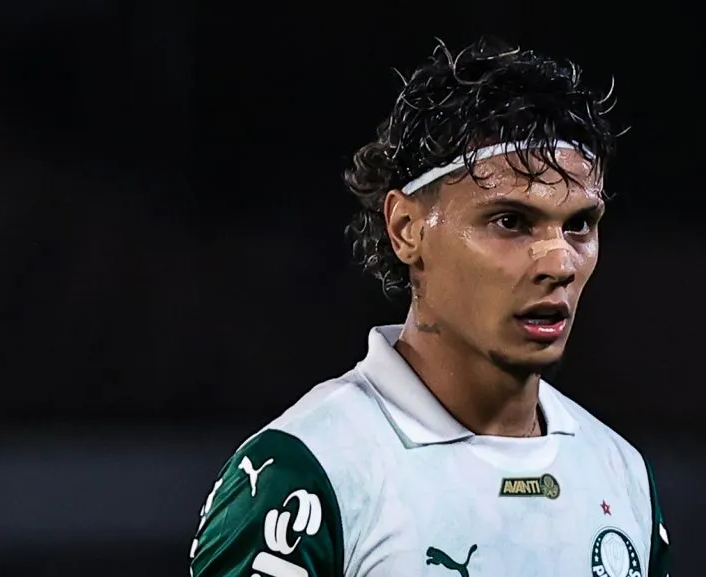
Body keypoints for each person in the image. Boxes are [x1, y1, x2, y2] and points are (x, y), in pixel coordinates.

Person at [188, 37, 671, 577]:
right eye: (510, 221)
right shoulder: (308, 474)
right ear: (406, 229)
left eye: (579, 224)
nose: (559, 262)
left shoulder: (620, 473)